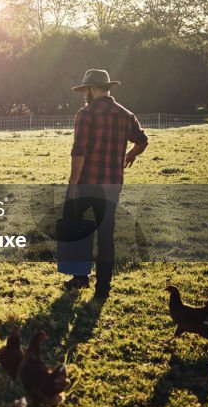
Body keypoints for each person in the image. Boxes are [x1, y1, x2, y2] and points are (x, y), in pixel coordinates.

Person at [63, 69, 149, 300]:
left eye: (86, 90)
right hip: (111, 184)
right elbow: (143, 141)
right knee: (106, 235)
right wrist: (131, 154)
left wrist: (73, 184)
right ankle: (103, 289)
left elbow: (79, 151)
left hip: (87, 182)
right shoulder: (125, 115)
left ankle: (80, 277)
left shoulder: (86, 114)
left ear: (91, 89)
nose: (85, 95)